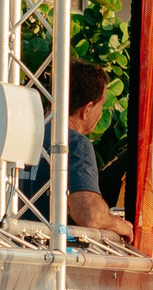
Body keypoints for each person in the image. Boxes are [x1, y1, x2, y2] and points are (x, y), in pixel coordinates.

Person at [24, 60, 134, 243]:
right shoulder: (75, 144)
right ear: (87, 109)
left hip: (12, 248)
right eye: (101, 105)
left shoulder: (26, 136)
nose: (101, 112)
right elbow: (89, 214)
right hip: (50, 257)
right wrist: (119, 225)